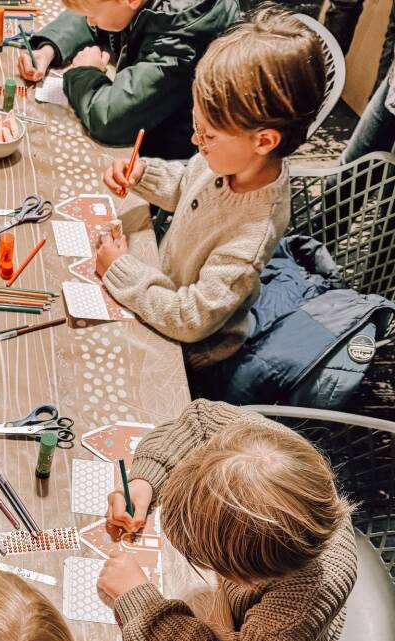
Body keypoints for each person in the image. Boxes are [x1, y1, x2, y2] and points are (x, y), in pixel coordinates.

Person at [96, 401, 357, 641]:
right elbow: (200, 419)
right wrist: (145, 481)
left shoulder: (298, 603)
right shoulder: (265, 451)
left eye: (206, 561)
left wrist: (137, 599)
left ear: (247, 578)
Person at [94, 7, 326, 391]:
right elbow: (188, 183)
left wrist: (120, 269)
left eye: (207, 135)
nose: (195, 141)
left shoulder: (251, 236)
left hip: (189, 357)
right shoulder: (232, 158)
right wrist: (143, 174)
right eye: (196, 127)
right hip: (159, 289)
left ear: (264, 141)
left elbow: (190, 320)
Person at [17, 0, 239, 157]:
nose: (90, 22)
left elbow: (111, 118)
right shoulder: (128, 5)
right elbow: (97, 8)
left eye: (93, 16)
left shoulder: (183, 31)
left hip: (169, 153)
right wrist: (50, 47)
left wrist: (85, 71)